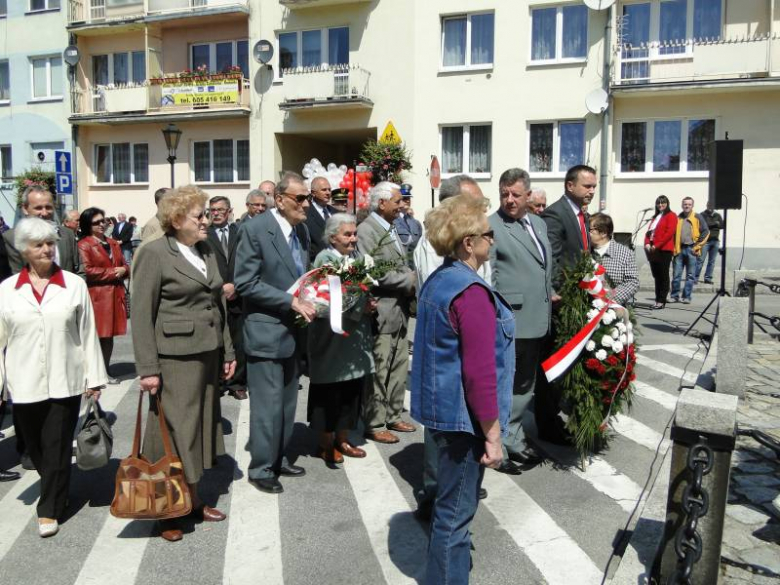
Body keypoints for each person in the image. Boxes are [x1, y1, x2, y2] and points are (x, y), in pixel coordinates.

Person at [410, 194, 513, 584]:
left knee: (448, 513)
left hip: (443, 415)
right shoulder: (470, 293)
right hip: (464, 423)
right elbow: (480, 374)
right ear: (468, 242)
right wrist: (493, 437)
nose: (493, 239)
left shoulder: (440, 280)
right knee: (455, 519)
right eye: (489, 233)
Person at [132, 185, 236, 542]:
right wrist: (147, 368)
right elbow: (141, 315)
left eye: (206, 214)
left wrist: (227, 352)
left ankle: (192, 499)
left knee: (201, 430)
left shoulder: (205, 249)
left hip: (206, 354)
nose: (207, 220)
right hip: (174, 358)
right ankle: (167, 510)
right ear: (177, 220)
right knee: (173, 434)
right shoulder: (154, 253)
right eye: (200, 216)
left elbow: (217, 305)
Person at [0, 217, 107, 536]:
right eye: (39, 244)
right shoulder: (6, 290)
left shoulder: (73, 285)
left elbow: (88, 333)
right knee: (34, 448)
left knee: (58, 444)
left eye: (50, 243)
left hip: (66, 377)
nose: (47, 249)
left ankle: (49, 508)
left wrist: (95, 377)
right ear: (24, 250)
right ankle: (56, 486)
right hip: (24, 379)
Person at [412, 175, 491, 520]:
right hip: (448, 358)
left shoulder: (469, 248)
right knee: (443, 431)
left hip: (465, 347)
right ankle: (436, 494)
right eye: (471, 204)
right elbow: (451, 301)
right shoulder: (435, 248)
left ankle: (454, 488)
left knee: (461, 432)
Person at [234, 172, 316, 495]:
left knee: (285, 404)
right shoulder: (255, 230)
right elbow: (245, 283)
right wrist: (291, 302)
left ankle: (278, 457)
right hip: (266, 332)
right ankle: (261, 467)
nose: (306, 204)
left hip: (294, 332)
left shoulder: (302, 231)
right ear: (280, 200)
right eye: (300, 198)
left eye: (307, 197)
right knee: (267, 406)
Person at [489, 168, 551, 474]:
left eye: (515, 194)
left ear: (528, 196)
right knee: (506, 386)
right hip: (510, 319)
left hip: (536, 318)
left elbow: (542, 267)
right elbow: (489, 278)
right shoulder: (492, 226)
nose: (509, 200)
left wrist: (549, 291)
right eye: (504, 194)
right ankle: (499, 445)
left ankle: (513, 436)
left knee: (525, 384)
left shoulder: (537, 222)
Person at [308, 213, 374, 463]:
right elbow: (334, 297)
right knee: (330, 390)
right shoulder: (325, 258)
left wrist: (368, 301)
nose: (353, 238)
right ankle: (325, 442)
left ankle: (343, 438)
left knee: (351, 389)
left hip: (352, 339)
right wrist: (360, 304)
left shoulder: (355, 258)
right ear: (332, 236)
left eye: (354, 233)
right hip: (332, 338)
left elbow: (357, 291)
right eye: (347, 234)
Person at [357, 182, 417, 444]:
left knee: (398, 365)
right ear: (381, 203)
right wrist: (411, 280)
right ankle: (375, 420)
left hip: (399, 310)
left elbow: (399, 263)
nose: (401, 204)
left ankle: (393, 414)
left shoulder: (391, 227)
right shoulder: (366, 231)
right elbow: (373, 271)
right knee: (380, 368)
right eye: (396, 200)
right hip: (381, 310)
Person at [77, 207, 129, 384]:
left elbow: (124, 266)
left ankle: (105, 370)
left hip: (114, 294)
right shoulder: (84, 244)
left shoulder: (113, 243)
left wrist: (124, 270)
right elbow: (88, 270)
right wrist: (114, 273)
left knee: (109, 336)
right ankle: (96, 373)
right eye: (96, 222)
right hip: (97, 296)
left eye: (103, 220)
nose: (102, 224)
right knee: (98, 336)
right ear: (87, 225)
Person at [206, 195, 247, 401]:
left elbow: (246, 261)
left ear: (229, 211)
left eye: (220, 210)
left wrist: (236, 286)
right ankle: (218, 382)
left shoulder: (239, 232)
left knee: (239, 342)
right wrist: (219, 287)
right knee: (217, 341)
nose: (216, 213)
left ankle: (237, 383)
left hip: (237, 297)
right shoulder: (203, 235)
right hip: (214, 296)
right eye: (213, 210)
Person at [3, 185, 82, 277]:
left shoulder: (67, 234)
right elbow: (15, 275)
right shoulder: (11, 238)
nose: (44, 213)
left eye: (48, 207)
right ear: (25, 209)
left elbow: (79, 269)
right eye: (38, 208)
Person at [541, 165, 597, 285]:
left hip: (583, 290)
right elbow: (550, 257)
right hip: (564, 293)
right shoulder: (555, 214)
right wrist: (558, 290)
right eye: (587, 186)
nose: (592, 191)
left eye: (594, 187)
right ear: (570, 186)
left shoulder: (582, 215)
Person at [589, 213, 640, 306]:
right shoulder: (586, 253)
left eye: (590, 230)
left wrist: (610, 298)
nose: (587, 233)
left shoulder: (624, 253)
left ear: (603, 233)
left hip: (614, 309)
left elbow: (632, 282)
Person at [670, 197, 710, 304]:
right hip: (679, 250)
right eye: (685, 204)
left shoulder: (698, 217)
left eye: (689, 204)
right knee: (676, 275)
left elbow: (706, 232)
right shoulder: (678, 218)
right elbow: (673, 234)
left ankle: (686, 297)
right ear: (682, 205)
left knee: (690, 276)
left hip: (692, 250)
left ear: (692, 206)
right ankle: (674, 296)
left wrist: (697, 246)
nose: (687, 206)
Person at [643, 195, 678, 309]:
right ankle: (657, 299)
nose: (660, 205)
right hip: (653, 250)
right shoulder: (655, 217)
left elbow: (669, 233)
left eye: (663, 203)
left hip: (664, 250)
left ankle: (661, 300)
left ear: (667, 204)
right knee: (656, 276)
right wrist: (647, 243)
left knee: (663, 275)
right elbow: (648, 232)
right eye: (658, 203)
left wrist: (657, 245)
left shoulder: (671, 215)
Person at [305, 176, 337, 261]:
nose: (328, 193)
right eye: (324, 190)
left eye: (329, 190)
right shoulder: (306, 214)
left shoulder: (336, 213)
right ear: (313, 193)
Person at [695, 201, 723, 285]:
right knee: (700, 260)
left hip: (715, 241)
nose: (710, 207)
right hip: (705, 241)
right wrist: (715, 223)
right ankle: (695, 278)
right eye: (709, 205)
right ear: (706, 205)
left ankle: (708, 278)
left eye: (712, 206)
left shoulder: (718, 215)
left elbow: (722, 226)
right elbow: (702, 226)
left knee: (712, 261)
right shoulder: (702, 215)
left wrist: (713, 224)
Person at [394, 183, 423, 252]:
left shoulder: (415, 222)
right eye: (405, 198)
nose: (407, 201)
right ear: (398, 200)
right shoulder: (394, 220)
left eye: (409, 198)